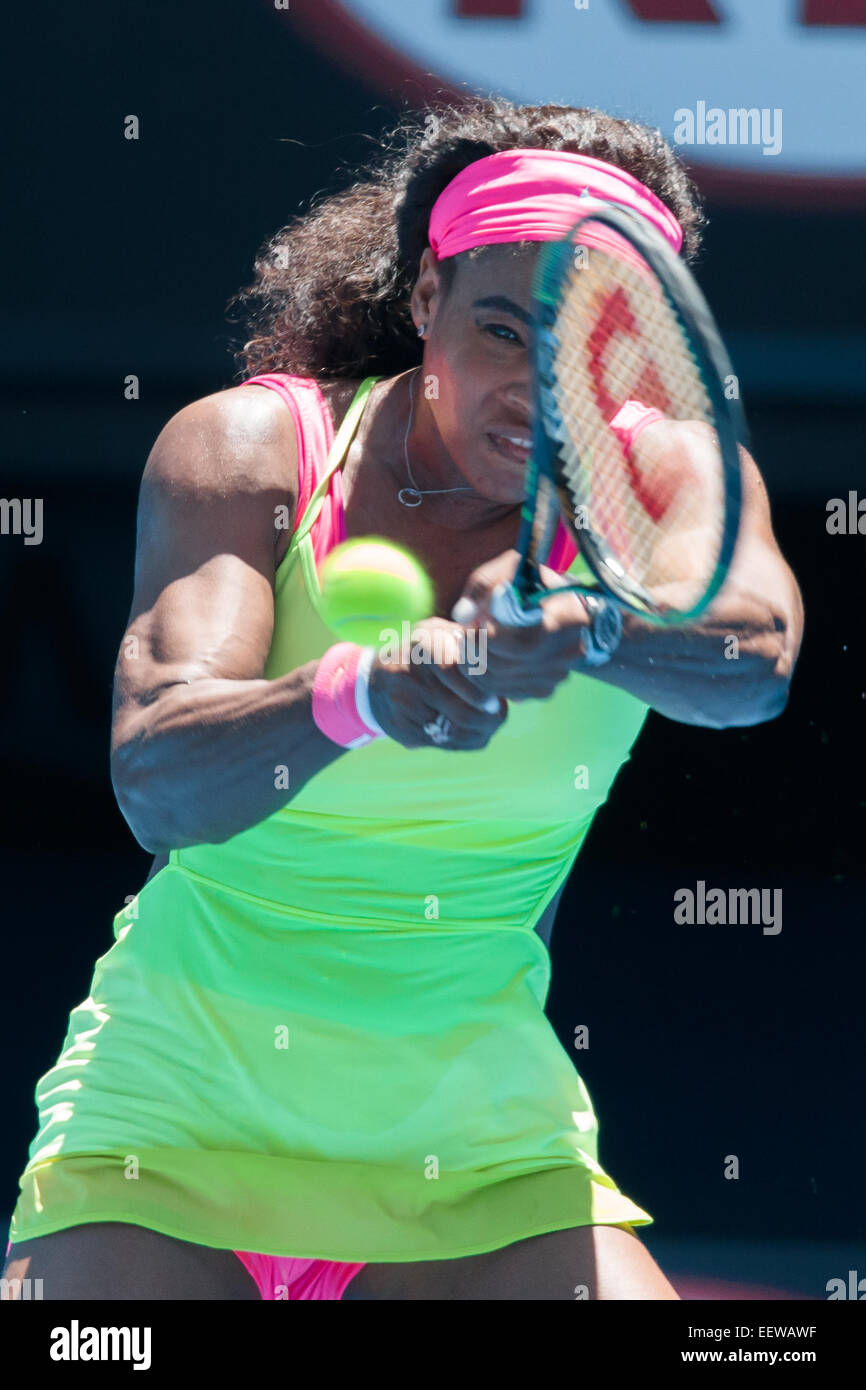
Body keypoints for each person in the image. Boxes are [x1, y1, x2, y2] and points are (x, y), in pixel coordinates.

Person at [3, 97, 803, 1301]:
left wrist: (583, 624)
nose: (536, 387)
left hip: (483, 1156)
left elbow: (753, 664)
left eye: (588, 346)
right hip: (162, 1126)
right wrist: (362, 691)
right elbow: (158, 778)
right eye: (497, 329)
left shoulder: (669, 480)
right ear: (425, 306)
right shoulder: (249, 451)